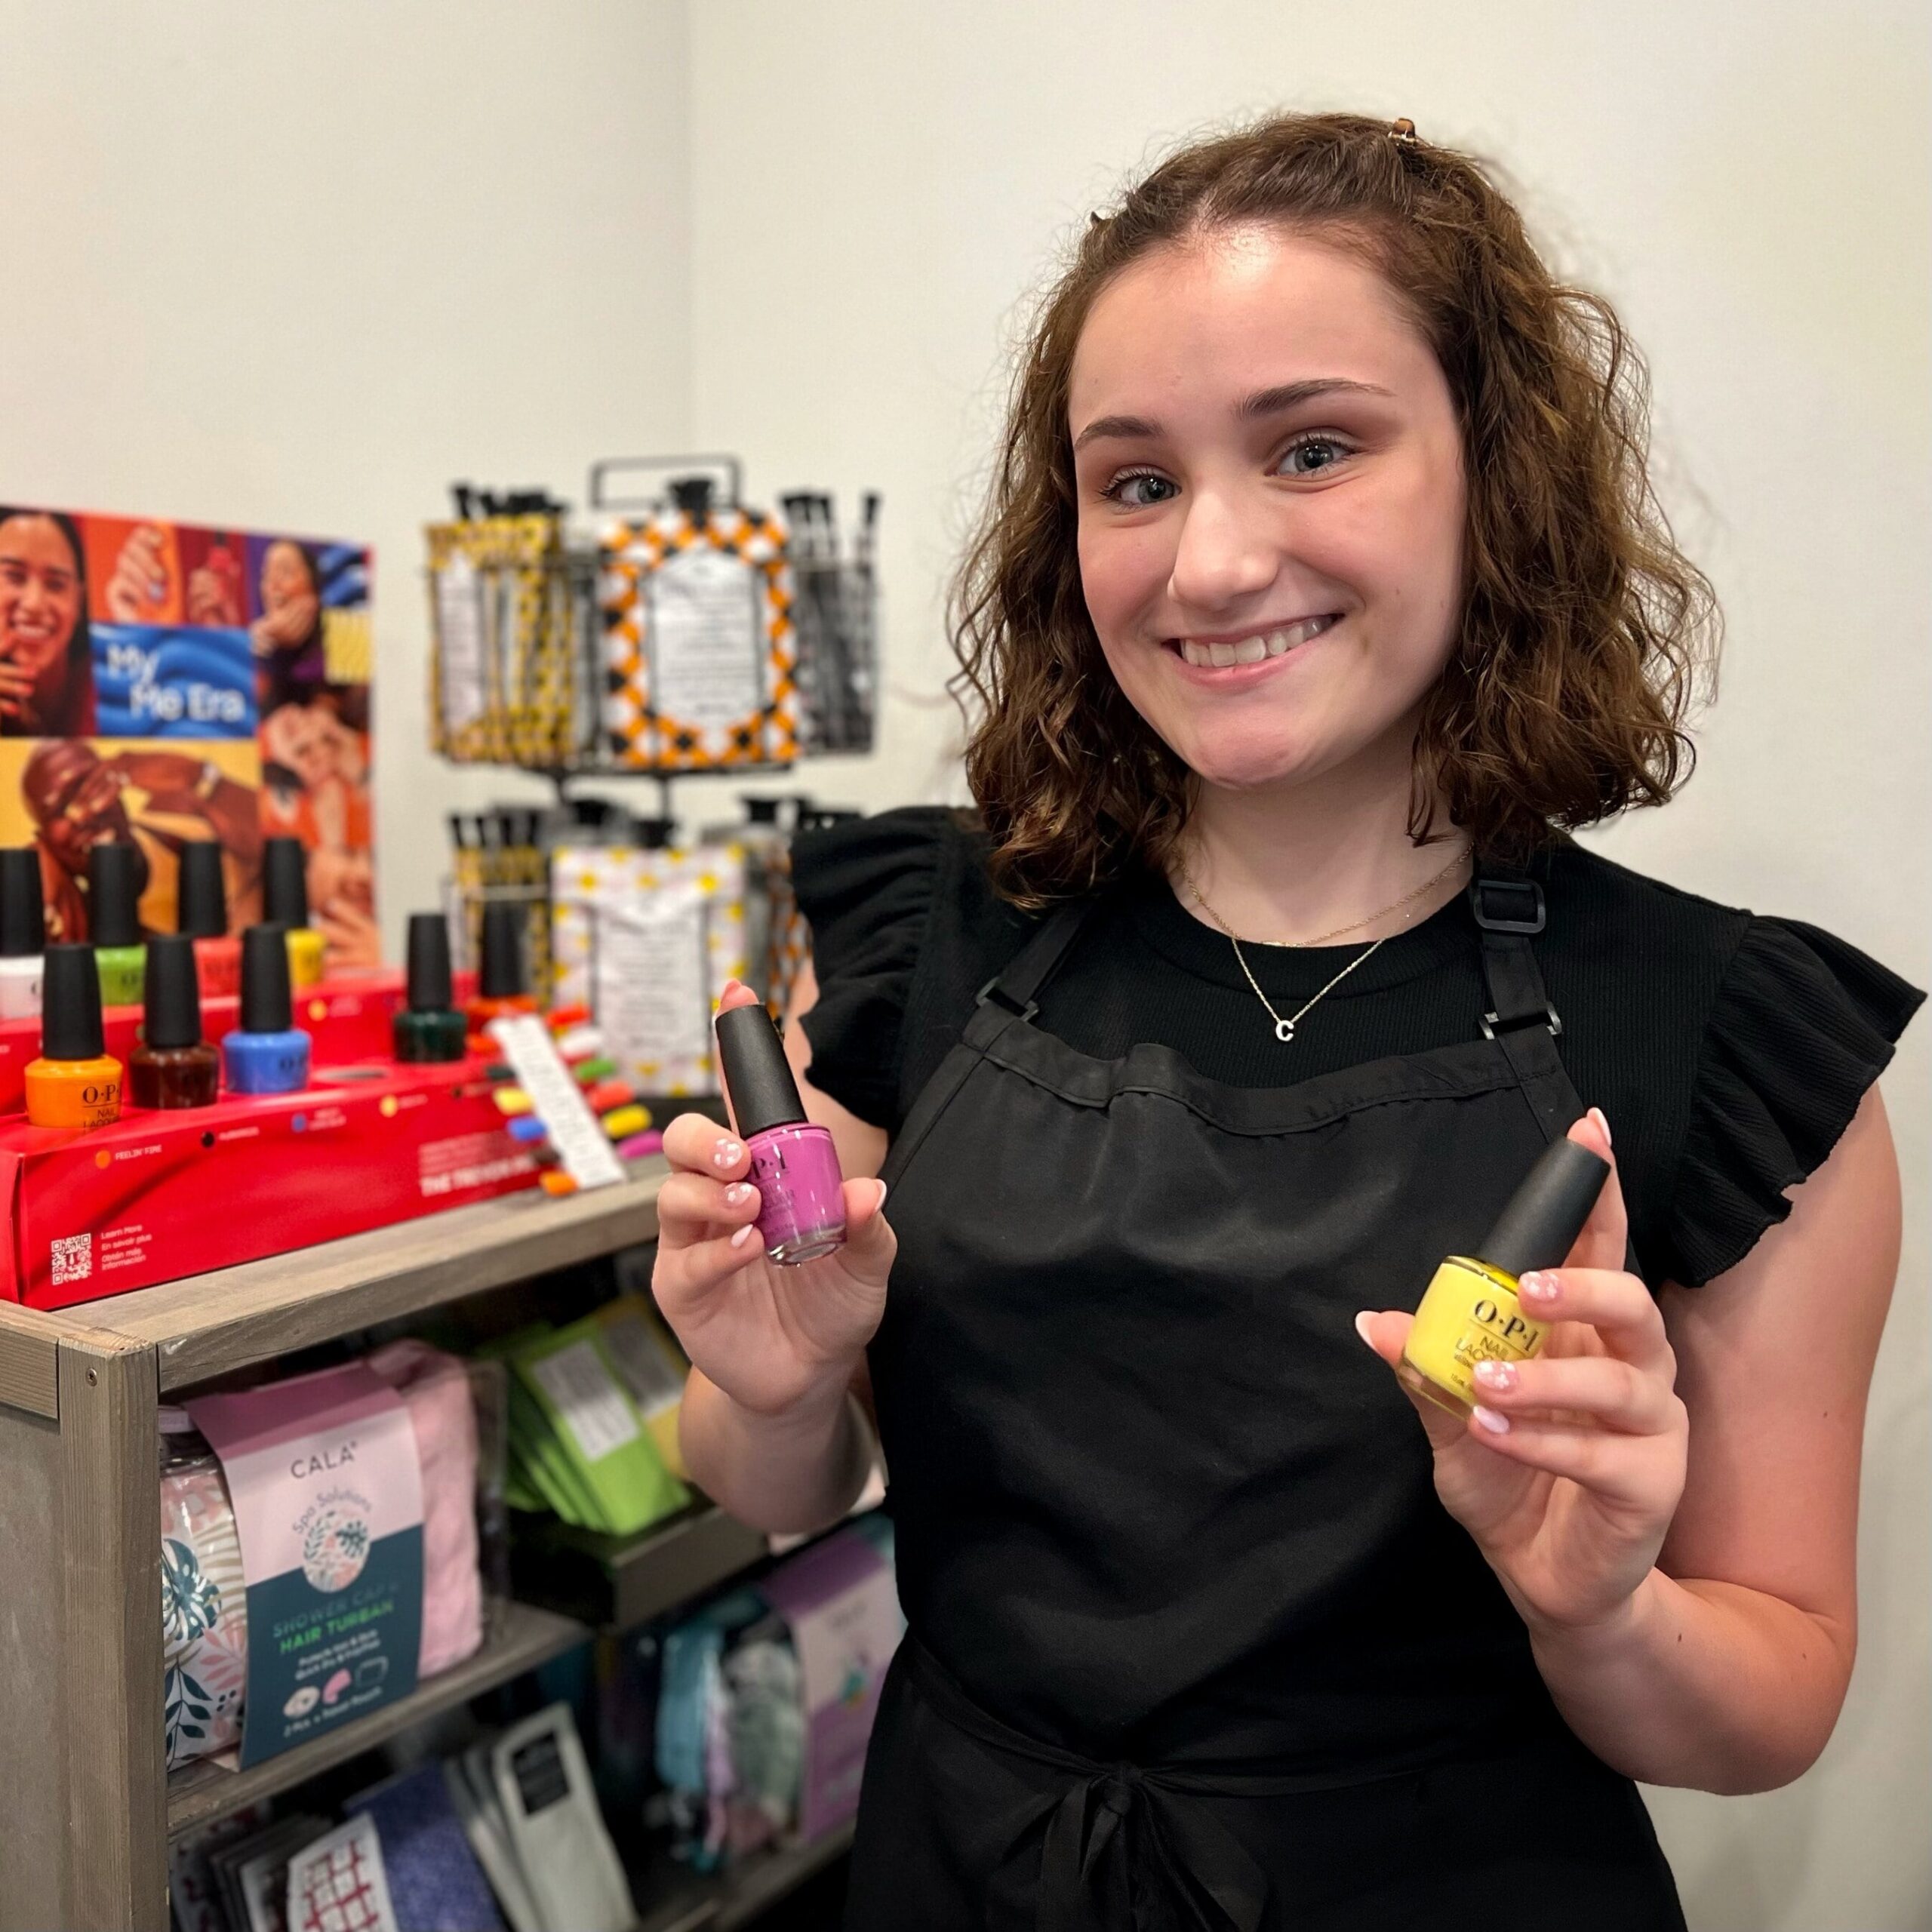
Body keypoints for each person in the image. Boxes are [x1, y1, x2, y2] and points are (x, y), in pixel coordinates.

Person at [652, 114, 1921, 1930]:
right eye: (1134, 480)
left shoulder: (1719, 1037)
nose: (1212, 564)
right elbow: (769, 1471)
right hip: (962, 1874)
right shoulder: (914, 934)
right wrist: (765, 1389)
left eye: (1311, 447)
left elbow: (1768, 1701)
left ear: (1494, 472)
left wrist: (1597, 1602)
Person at [23, 738, 263, 942]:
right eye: (59, 808)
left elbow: (281, 845)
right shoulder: (91, 926)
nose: (85, 812)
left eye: (92, 783)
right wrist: (31, 867)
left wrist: (202, 776)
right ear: (45, 837)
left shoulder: (177, 808)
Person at [0, 508, 97, 735]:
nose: (34, 604)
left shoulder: (106, 685)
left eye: (56, 584)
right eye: (14, 576)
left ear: (80, 602)